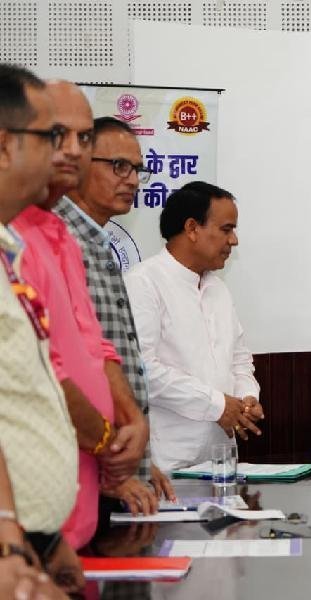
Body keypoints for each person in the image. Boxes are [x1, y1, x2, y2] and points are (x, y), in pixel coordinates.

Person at [11, 81, 151, 551]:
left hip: (73, 510)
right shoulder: (15, 236)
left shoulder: (60, 233)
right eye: (57, 134)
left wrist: (133, 420)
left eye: (84, 137)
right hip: (30, 514)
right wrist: (111, 445)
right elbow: (42, 370)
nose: (72, 150)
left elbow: (96, 346)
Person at [56, 113, 176, 503]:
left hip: (110, 463)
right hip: (79, 466)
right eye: (119, 166)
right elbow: (65, 364)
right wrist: (111, 463)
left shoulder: (97, 242)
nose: (133, 180)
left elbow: (109, 350)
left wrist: (138, 462)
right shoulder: (59, 239)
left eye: (138, 169)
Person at [0, 62, 79, 596]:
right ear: (6, 145)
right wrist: (7, 539)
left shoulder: (10, 248)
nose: (63, 153)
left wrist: (46, 541)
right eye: (50, 136)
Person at [125, 181, 263, 472]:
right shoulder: (143, 283)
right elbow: (141, 369)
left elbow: (239, 359)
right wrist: (217, 405)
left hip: (222, 459)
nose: (234, 240)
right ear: (192, 228)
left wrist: (247, 398)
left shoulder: (218, 289)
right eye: (226, 229)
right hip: (166, 463)